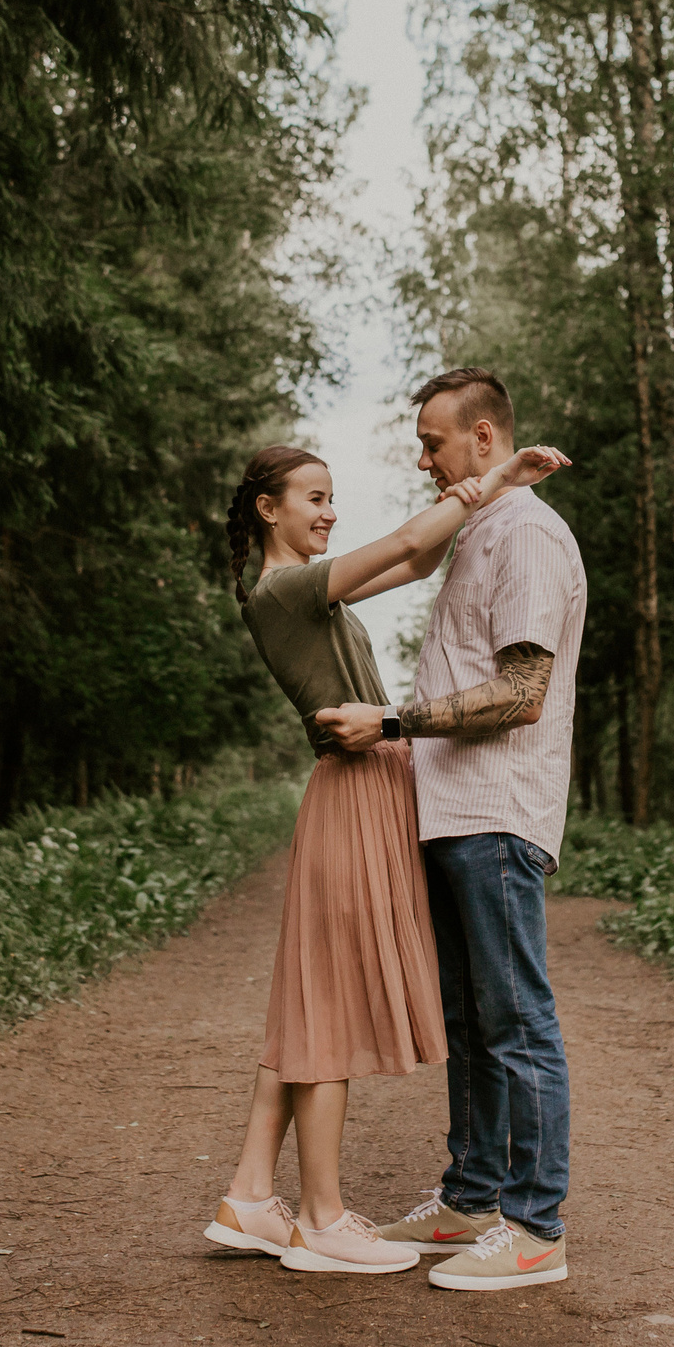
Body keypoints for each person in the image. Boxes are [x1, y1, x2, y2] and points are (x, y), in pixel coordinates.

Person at [205, 436, 571, 1276]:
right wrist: (494, 480)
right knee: (325, 1007)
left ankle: (252, 1194)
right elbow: (410, 544)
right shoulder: (287, 587)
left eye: (333, 496)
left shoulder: (302, 590)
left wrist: (470, 508)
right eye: (314, 497)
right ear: (269, 510)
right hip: (356, 786)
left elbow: (411, 565)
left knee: (308, 999)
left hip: (362, 787)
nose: (331, 510)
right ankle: (323, 1217)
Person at [313, 367, 588, 1293]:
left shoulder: (532, 539)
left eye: (432, 442)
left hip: (499, 813)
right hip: (453, 812)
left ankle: (536, 1226)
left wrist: (389, 721)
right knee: (470, 1017)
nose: (422, 458)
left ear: (482, 436)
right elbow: (400, 563)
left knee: (516, 1016)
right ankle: (473, 1196)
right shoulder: (486, 523)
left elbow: (521, 694)